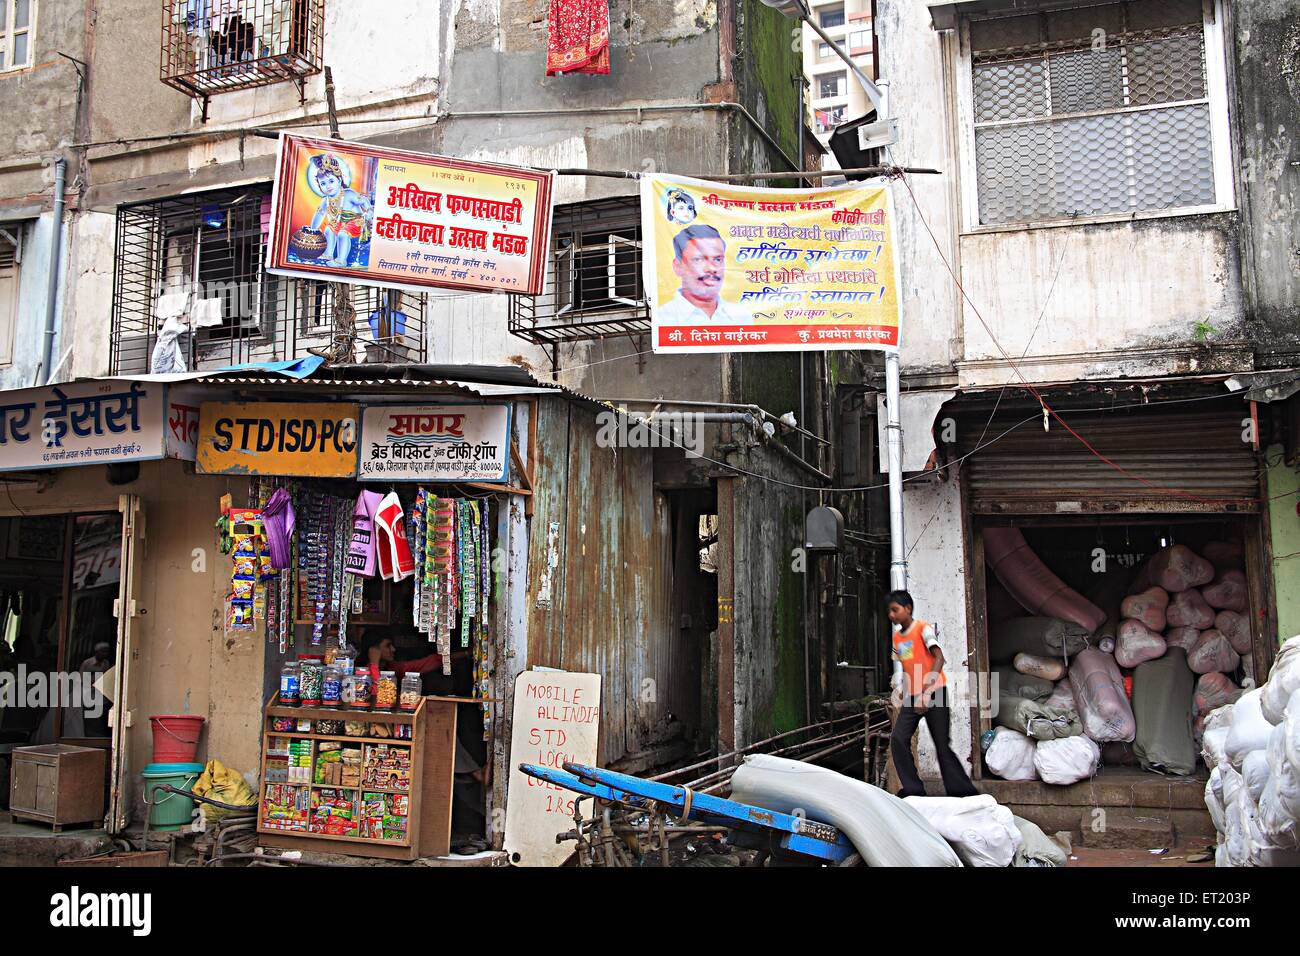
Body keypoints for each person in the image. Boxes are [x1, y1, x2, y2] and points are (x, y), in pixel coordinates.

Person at [887, 590, 978, 798]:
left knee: (941, 746)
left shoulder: (923, 629)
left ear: (907, 608)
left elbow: (939, 658)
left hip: (935, 693)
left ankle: (964, 794)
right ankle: (913, 790)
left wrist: (927, 692)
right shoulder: (897, 639)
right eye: (889, 611)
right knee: (898, 739)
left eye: (895, 610)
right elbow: (906, 664)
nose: (891, 615)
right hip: (912, 696)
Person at [657, 224, 749, 324]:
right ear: (678, 267)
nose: (712, 268)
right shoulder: (662, 319)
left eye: (718, 259)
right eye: (698, 259)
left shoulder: (741, 317)